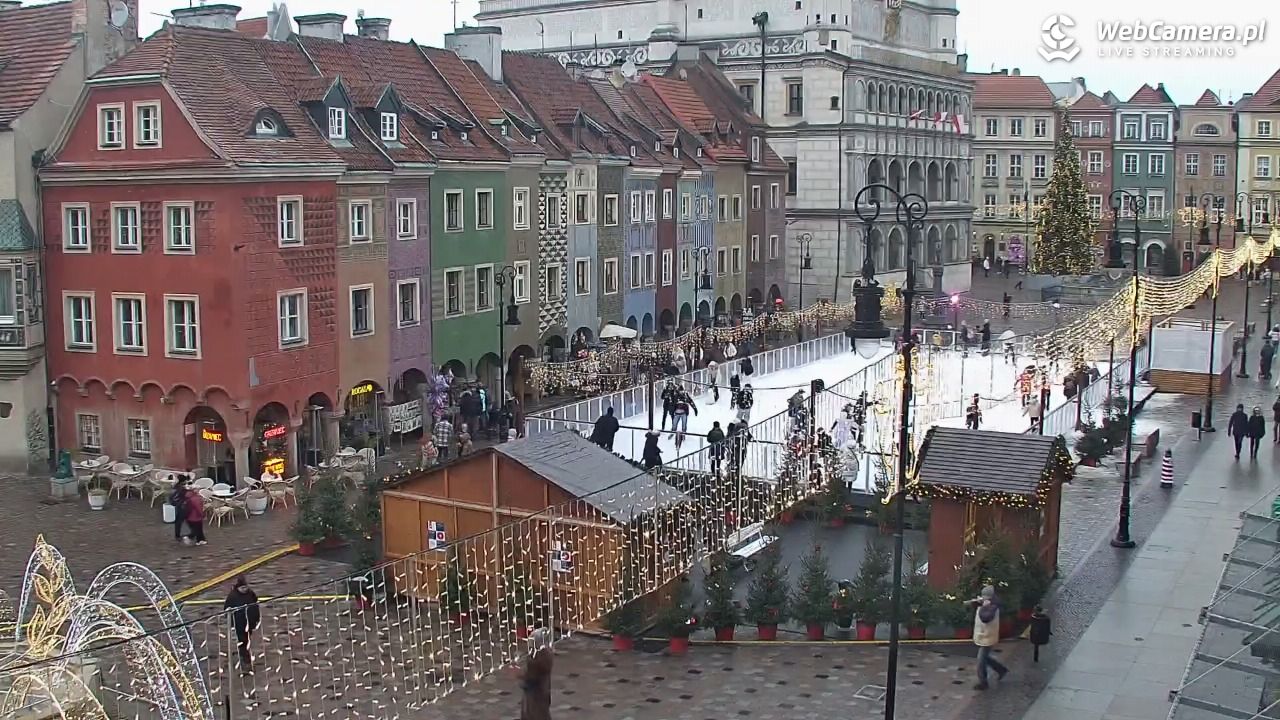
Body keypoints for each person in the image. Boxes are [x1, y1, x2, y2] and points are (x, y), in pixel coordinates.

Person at [971, 585, 1008, 690]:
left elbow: (985, 618)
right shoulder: (989, 604)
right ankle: (1001, 670)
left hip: (987, 636)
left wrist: (984, 607)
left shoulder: (992, 606)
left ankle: (983, 682)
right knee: (985, 658)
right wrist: (976, 604)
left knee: (981, 661)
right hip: (984, 635)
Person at [223, 575, 261, 670]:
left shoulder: (250, 593)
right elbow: (227, 609)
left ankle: (245, 658)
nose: (245, 589)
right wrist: (231, 622)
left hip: (250, 622)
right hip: (239, 623)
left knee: (246, 639)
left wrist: (256, 618)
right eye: (242, 587)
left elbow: (255, 604)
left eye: (246, 587)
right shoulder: (232, 596)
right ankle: (245, 661)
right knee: (243, 641)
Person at [518, 627, 554, 720]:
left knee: (536, 714)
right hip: (540, 693)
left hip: (536, 695)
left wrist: (520, 675)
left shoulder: (539, 657)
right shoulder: (542, 654)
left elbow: (532, 676)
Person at [169, 475, 189, 542]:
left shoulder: (176, 486)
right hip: (182, 506)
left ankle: (177, 535)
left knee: (179, 521)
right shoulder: (181, 488)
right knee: (183, 520)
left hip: (179, 506)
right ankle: (178, 535)